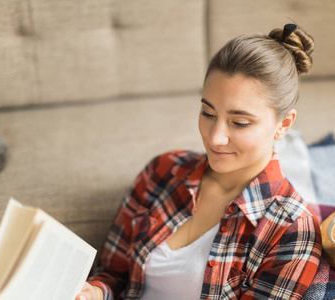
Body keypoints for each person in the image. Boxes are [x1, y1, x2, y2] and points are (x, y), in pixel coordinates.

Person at [76, 23, 321, 300]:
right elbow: (113, 273)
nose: (215, 138)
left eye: (239, 123)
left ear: (284, 124)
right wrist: (95, 292)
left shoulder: (291, 228)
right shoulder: (162, 171)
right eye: (208, 113)